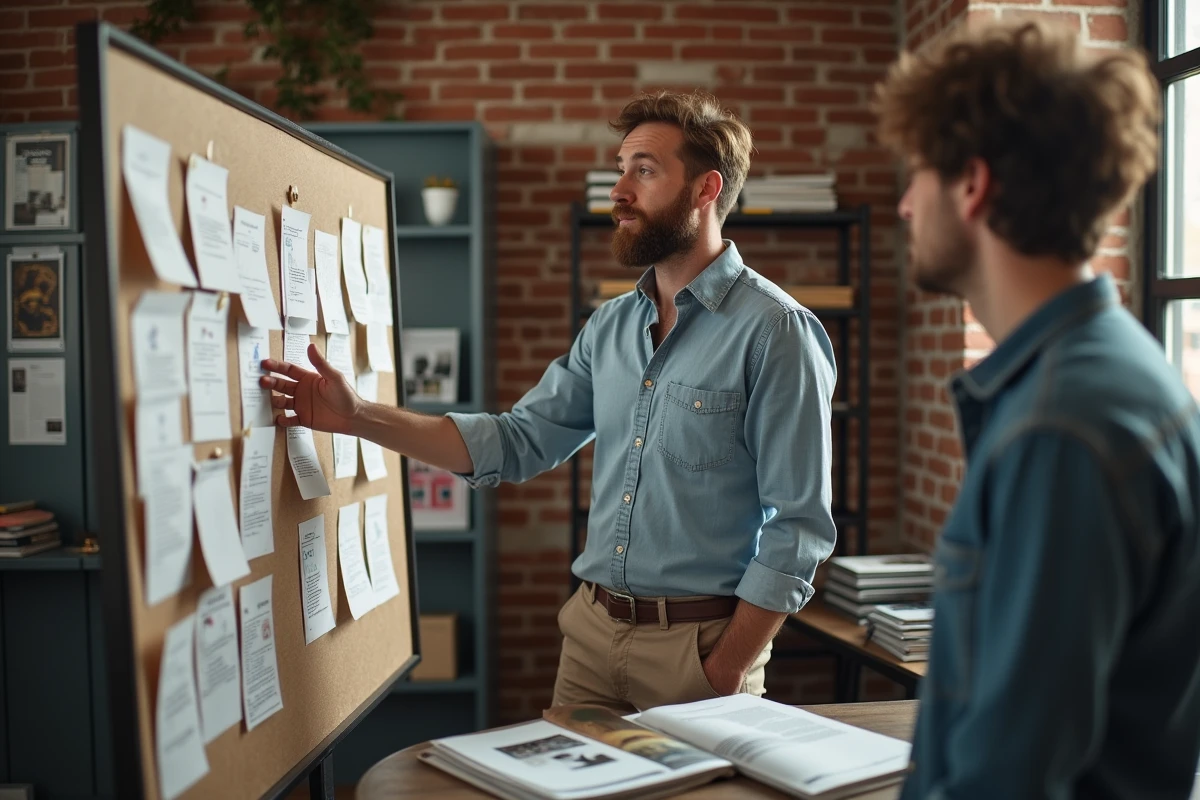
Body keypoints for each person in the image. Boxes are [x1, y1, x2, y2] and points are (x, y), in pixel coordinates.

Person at [261, 90, 838, 712]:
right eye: (621, 169)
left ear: (705, 190)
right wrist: (357, 418)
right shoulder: (611, 326)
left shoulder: (777, 331)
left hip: (699, 653)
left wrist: (724, 668)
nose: (619, 190)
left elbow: (799, 528)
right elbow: (515, 443)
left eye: (644, 170)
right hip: (590, 640)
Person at [874, 19, 1200, 798]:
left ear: (973, 185)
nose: (903, 206)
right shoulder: (1109, 375)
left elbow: (1007, 776)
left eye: (918, 173)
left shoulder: (1061, 430)